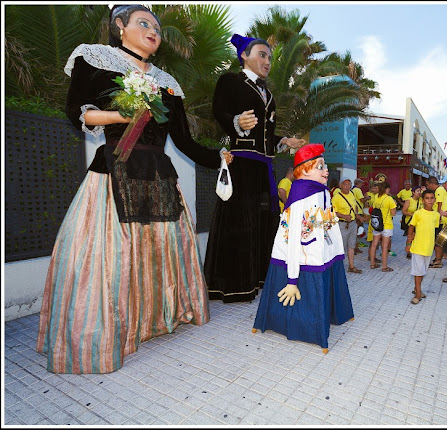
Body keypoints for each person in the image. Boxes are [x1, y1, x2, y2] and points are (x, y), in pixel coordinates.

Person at [36, 5, 229, 374]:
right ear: (119, 27)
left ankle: (155, 318)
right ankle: (105, 333)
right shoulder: (95, 59)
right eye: (144, 23)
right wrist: (120, 116)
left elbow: (185, 142)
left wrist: (220, 156)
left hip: (158, 175)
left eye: (156, 26)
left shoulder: (168, 81)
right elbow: (76, 110)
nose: (153, 30)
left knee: (159, 252)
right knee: (108, 258)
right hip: (112, 171)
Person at [204, 34, 305, 303]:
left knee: (262, 223)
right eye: (262, 54)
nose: (267, 61)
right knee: (240, 223)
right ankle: (234, 287)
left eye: (270, 57)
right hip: (241, 164)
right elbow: (219, 112)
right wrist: (236, 121)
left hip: (263, 168)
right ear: (244, 56)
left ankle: (258, 280)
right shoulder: (230, 81)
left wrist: (283, 140)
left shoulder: (268, 94)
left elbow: (265, 136)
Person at [252, 144, 353, 353]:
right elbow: (293, 237)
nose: (326, 171)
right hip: (302, 258)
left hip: (323, 253)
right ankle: (302, 327)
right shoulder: (300, 195)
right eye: (320, 166)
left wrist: (335, 252)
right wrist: (292, 280)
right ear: (305, 170)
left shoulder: (322, 191)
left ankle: (334, 315)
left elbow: (328, 223)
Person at [405, 189, 439, 304]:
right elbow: (411, 227)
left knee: (423, 271)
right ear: (423, 200)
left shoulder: (436, 215)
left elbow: (433, 230)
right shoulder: (418, 213)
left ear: (435, 200)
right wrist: (409, 243)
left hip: (428, 248)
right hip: (418, 247)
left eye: (432, 198)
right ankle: (418, 294)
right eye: (427, 198)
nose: (429, 200)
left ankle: (416, 289)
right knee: (418, 271)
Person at [332, 177, 365, 274]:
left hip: (353, 223)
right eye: (345, 184)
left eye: (349, 184)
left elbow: (354, 206)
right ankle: (339, 268)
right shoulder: (336, 197)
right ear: (341, 185)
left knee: (351, 245)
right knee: (341, 247)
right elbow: (333, 212)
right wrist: (344, 216)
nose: (347, 186)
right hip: (342, 224)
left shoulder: (351, 194)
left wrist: (358, 216)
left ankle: (351, 266)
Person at [369, 181, 397, 272]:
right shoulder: (389, 199)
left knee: (374, 244)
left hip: (377, 224)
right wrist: (394, 205)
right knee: (384, 246)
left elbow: (374, 208)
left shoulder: (376, 197)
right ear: (386, 189)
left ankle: (373, 263)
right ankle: (384, 267)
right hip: (387, 224)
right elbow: (393, 213)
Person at [425, 176, 444, 268]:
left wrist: (438, 218)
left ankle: (438, 260)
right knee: (437, 241)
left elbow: (440, 205)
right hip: (438, 219)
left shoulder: (439, 190)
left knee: (437, 241)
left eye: (428, 185)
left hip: (439, 221)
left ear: (432, 184)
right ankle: (438, 258)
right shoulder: (439, 190)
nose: (427, 187)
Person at [352, 178, 369, 252]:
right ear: (358, 183)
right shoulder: (358, 190)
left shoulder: (352, 190)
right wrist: (367, 198)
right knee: (359, 230)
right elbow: (362, 199)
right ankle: (355, 247)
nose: (362, 185)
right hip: (358, 211)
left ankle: (354, 246)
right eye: (361, 184)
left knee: (356, 229)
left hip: (354, 211)